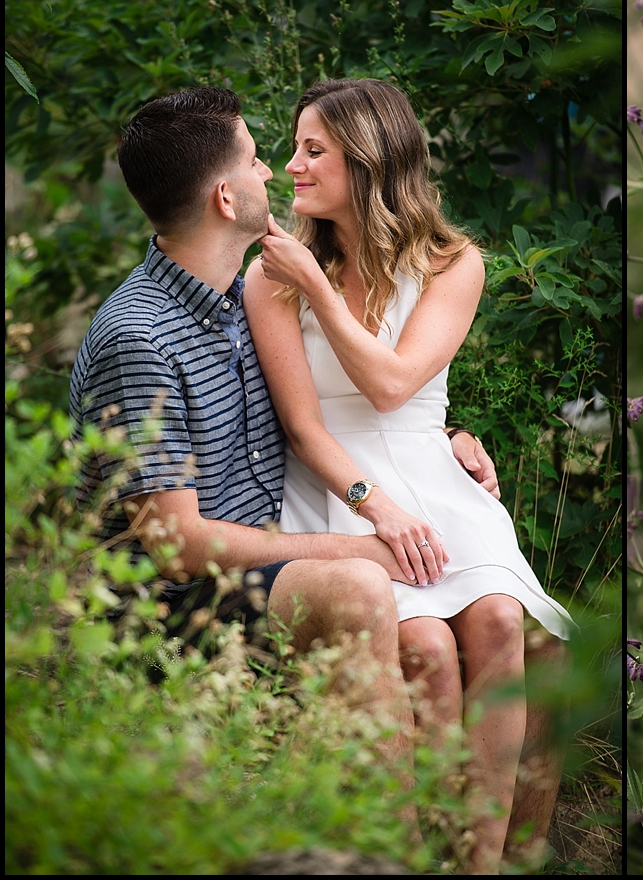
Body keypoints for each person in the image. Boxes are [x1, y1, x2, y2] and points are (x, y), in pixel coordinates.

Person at [66, 86, 533, 856]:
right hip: (171, 600)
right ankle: (396, 857)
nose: (276, 171)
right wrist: (360, 544)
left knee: (491, 627)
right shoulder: (140, 335)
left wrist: (448, 435)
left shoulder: (224, 303)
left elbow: (336, 403)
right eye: (257, 159)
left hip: (259, 555)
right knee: (360, 587)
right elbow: (173, 546)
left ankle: (459, 857)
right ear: (226, 196)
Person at [244, 77, 574, 875]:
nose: (292, 166)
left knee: (500, 622)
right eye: (291, 148)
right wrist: (374, 506)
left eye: (311, 150)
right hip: (337, 479)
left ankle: (483, 863)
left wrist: (321, 289)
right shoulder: (270, 278)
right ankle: (416, 849)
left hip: (434, 469)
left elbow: (395, 387)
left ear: (367, 161)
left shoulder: (454, 263)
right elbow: (305, 424)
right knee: (424, 644)